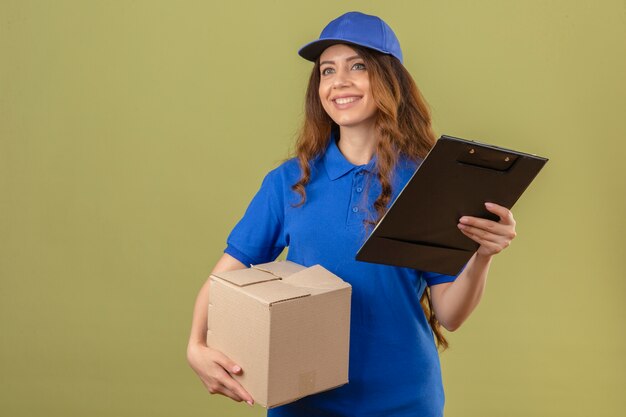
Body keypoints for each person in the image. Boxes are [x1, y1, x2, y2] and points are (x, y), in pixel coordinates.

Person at [187, 11, 517, 417]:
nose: (339, 81)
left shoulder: (427, 182)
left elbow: (449, 314)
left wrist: (482, 256)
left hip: (405, 401)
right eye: (327, 71)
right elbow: (227, 273)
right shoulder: (289, 181)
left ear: (389, 80)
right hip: (303, 399)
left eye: (357, 66)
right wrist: (195, 345)